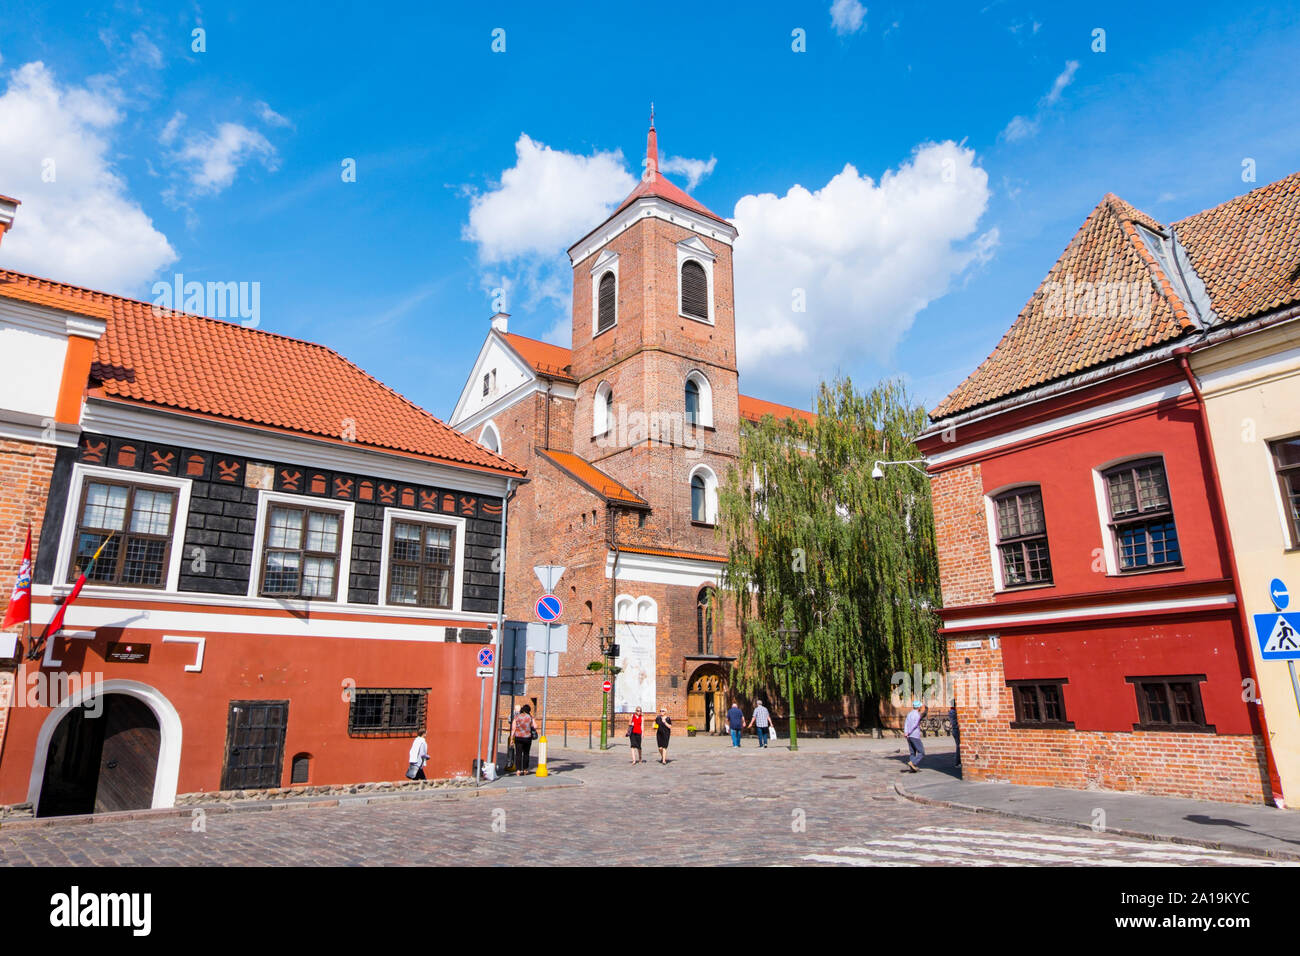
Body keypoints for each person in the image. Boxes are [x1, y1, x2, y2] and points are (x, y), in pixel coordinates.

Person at [903, 699, 928, 773]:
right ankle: (913, 763)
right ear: (919, 707)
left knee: (912, 752)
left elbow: (906, 723)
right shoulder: (917, 715)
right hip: (914, 735)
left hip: (909, 736)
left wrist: (906, 732)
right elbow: (914, 726)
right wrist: (909, 732)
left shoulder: (909, 714)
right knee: (921, 752)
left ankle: (912, 768)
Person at [512, 704, 535, 776]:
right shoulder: (530, 717)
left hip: (518, 737)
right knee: (526, 754)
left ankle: (518, 770)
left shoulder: (517, 717)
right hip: (527, 738)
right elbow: (535, 726)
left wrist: (511, 739)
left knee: (518, 754)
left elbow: (513, 728)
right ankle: (525, 769)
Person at [949, 700, 961, 768]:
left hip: (955, 729)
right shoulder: (953, 712)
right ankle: (957, 762)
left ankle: (958, 761)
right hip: (956, 730)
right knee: (958, 746)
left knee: (958, 746)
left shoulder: (952, 711)